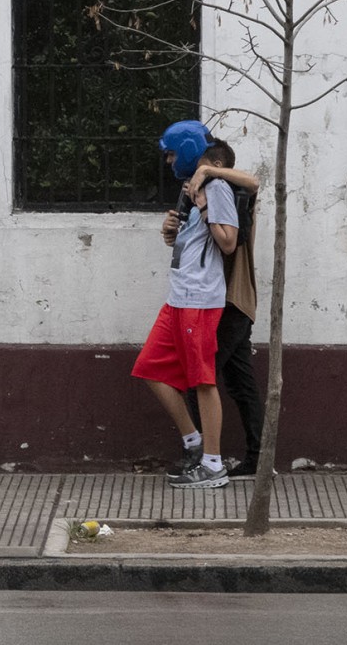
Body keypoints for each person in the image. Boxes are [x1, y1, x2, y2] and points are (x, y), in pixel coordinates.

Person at [131, 120, 240, 489]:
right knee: (149, 369)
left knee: (203, 381)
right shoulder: (192, 188)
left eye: (173, 154)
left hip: (199, 299)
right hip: (179, 296)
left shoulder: (217, 186)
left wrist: (206, 208)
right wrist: (172, 233)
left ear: (191, 150)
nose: (169, 161)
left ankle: (213, 465)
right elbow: (194, 241)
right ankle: (194, 444)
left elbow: (227, 242)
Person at [165, 141, 268, 481]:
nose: (196, 173)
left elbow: (254, 181)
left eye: (202, 166)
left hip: (230, 300)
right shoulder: (207, 194)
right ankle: (257, 459)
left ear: (216, 164)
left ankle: (204, 460)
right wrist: (174, 231)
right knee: (240, 382)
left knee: (200, 379)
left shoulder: (229, 188)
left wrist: (209, 173)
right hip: (224, 299)